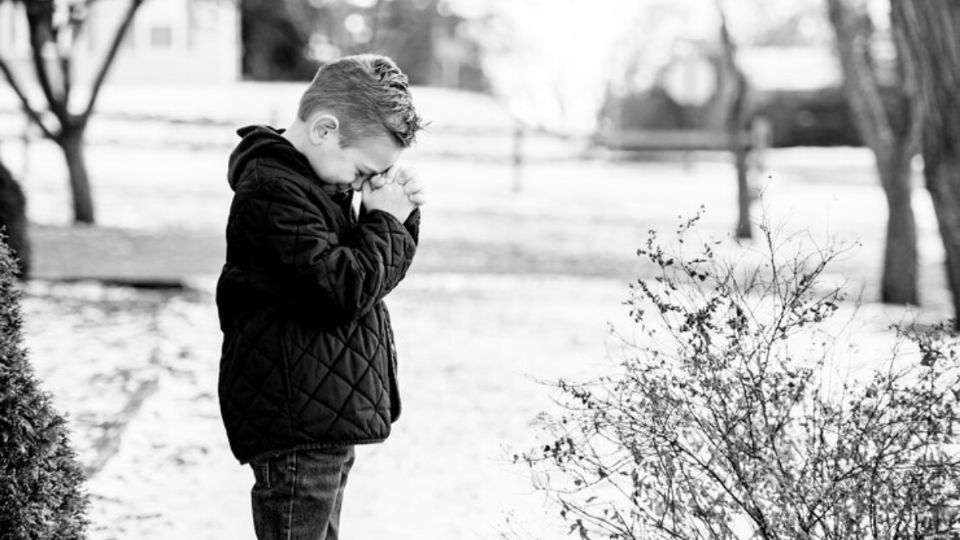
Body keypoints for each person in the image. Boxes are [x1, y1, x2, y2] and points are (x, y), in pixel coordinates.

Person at [215, 54, 425, 540]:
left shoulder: (312, 184)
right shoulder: (272, 192)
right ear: (324, 131)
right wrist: (385, 222)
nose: (362, 183)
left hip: (320, 418)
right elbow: (342, 288)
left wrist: (397, 214)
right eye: (362, 171)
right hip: (295, 424)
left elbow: (368, 278)